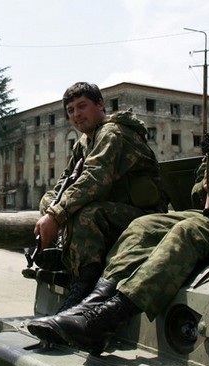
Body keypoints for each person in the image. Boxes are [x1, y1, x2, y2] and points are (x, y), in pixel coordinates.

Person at [27, 53, 209, 354]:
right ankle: (90, 305)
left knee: (190, 231)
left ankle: (104, 318)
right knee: (143, 225)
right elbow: (200, 183)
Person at [33, 82, 168, 313]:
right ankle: (65, 255)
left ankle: (81, 289)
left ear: (100, 105)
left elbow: (94, 178)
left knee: (86, 214)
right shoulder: (84, 142)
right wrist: (51, 207)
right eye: (71, 110)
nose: (76, 114)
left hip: (142, 216)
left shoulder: (112, 133)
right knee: (48, 200)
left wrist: (56, 216)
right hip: (113, 212)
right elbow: (65, 181)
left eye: (82, 106)